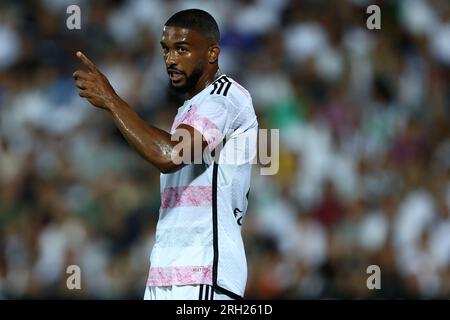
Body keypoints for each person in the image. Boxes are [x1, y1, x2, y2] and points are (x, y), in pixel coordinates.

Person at [72, 9, 258, 300]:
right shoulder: (188, 109)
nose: (170, 60)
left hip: (205, 274)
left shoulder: (226, 96)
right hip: (167, 274)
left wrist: (111, 99)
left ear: (212, 53)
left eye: (181, 49)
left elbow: (171, 155)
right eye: (166, 50)